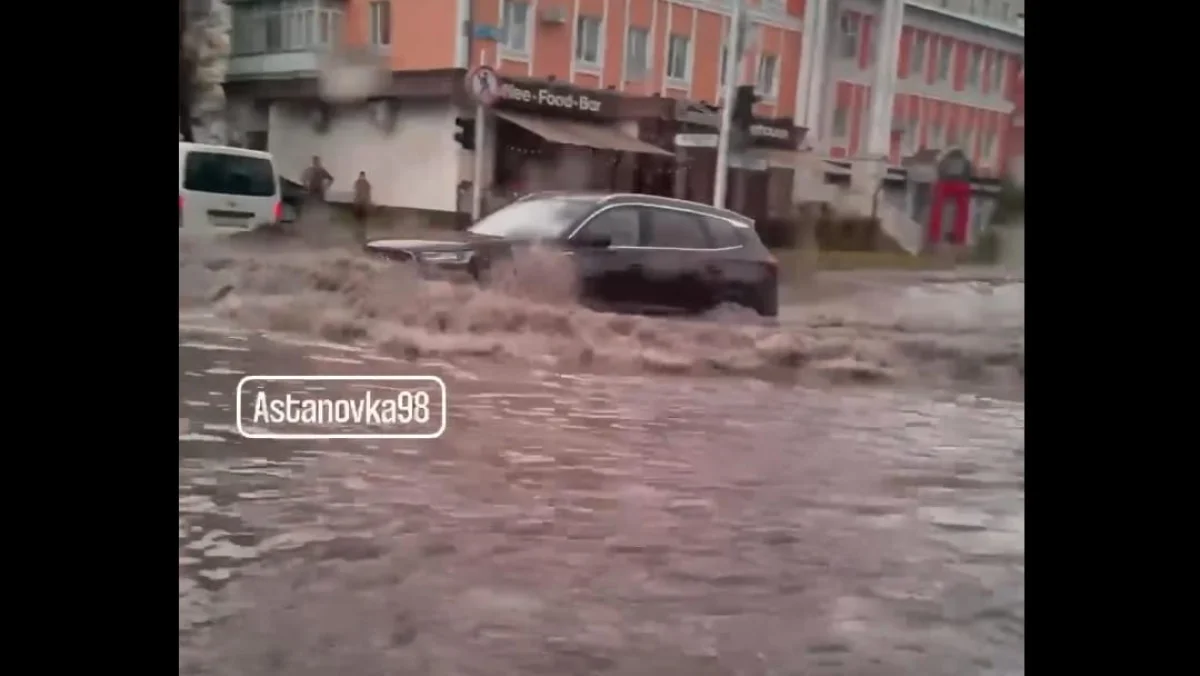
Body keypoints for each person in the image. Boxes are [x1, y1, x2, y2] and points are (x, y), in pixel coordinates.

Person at [352, 171, 372, 243]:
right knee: (362, 220)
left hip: (359, 203)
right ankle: (361, 234)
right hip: (362, 203)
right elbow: (368, 194)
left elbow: (356, 192)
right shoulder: (366, 183)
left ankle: (359, 234)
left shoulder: (358, 182)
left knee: (359, 220)